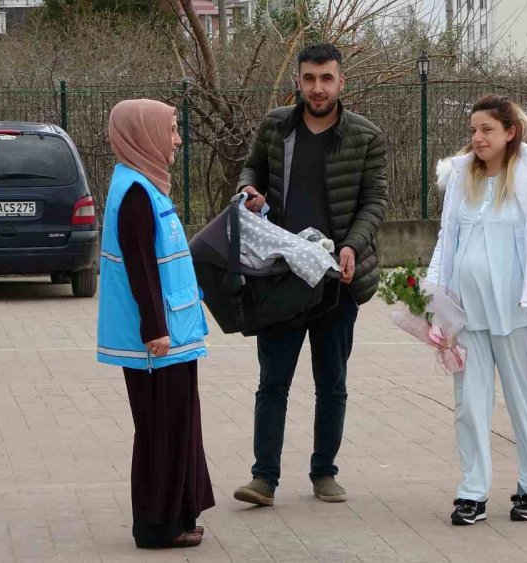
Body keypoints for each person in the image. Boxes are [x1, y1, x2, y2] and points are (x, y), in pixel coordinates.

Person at [232, 43, 388, 506]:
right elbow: (251, 168)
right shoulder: (276, 125)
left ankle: (324, 472)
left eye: (326, 78)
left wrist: (351, 245)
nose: (317, 88)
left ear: (341, 82)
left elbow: (374, 201)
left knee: (332, 383)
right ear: (298, 81)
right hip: (280, 277)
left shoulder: (366, 136)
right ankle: (263, 478)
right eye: (309, 78)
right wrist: (249, 190)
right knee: (272, 382)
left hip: (336, 281)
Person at [427, 95, 527, 525]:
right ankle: (472, 491)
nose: (477, 138)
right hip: (466, 310)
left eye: (487, 130)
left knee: (522, 400)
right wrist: (435, 297)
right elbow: (446, 238)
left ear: (510, 132)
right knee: (469, 404)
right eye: (473, 130)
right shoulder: (461, 176)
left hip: (516, 309)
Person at [96, 99, 214, 548]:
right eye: (172, 129)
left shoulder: (145, 184)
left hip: (175, 332)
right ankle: (157, 526)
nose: (178, 139)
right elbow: (140, 266)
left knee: (179, 426)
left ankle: (179, 516)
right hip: (159, 342)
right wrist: (154, 329)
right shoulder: (135, 194)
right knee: (162, 429)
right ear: (144, 135)